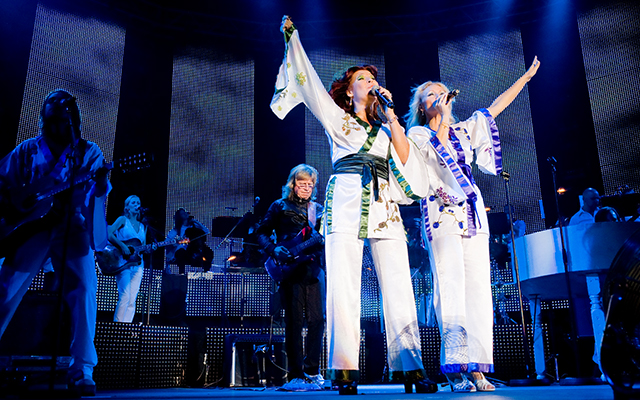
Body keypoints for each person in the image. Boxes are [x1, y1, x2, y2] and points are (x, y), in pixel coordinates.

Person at [271, 16, 434, 395]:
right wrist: (293, 41)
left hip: (384, 203)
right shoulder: (338, 119)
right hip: (345, 200)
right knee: (344, 286)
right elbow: (311, 85)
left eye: (373, 79)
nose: (371, 83)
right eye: (363, 79)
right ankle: (344, 370)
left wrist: (392, 116)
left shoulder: (385, 127)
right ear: (348, 91)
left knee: (399, 283)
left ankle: (411, 368)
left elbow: (405, 157)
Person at [405, 57, 540, 392]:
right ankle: (455, 367)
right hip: (441, 213)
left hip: (472, 213)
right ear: (421, 106)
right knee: (450, 286)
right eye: (431, 93)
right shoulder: (417, 133)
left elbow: (495, 108)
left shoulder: (465, 130)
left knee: (479, 289)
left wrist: (524, 79)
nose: (439, 95)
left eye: (442, 91)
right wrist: (441, 117)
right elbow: (432, 151)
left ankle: (478, 367)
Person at [0, 89, 111, 396]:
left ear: (72, 121)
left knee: (85, 289)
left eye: (63, 120)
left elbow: (98, 195)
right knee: (6, 288)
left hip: (71, 227)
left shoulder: (89, 152)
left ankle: (82, 369)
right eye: (52, 120)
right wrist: (11, 206)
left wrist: (101, 185)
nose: (58, 125)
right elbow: (3, 181)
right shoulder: (27, 150)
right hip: (31, 228)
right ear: (44, 120)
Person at [256, 164, 326, 392]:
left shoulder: (318, 210)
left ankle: (312, 371)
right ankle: (296, 374)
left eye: (310, 184)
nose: (306, 188)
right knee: (294, 322)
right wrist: (273, 249)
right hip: (288, 267)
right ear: (293, 184)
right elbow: (261, 232)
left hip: (313, 268)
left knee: (318, 319)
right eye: (302, 183)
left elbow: (323, 239)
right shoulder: (280, 205)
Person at [108, 195, 147, 323]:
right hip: (122, 262)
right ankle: (118, 326)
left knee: (132, 299)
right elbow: (109, 233)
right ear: (127, 207)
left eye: (138, 202)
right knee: (125, 295)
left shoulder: (143, 226)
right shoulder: (122, 220)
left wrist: (149, 248)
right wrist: (122, 245)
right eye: (134, 202)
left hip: (138, 264)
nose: (137, 204)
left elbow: (142, 246)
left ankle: (127, 327)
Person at [165, 207, 211, 274]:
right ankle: (181, 274)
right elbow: (167, 241)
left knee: (208, 252)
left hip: (193, 250)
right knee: (181, 252)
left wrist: (195, 221)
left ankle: (205, 273)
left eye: (185, 212)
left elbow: (206, 231)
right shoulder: (176, 230)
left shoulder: (194, 226)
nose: (185, 214)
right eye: (182, 213)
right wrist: (176, 242)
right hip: (182, 251)